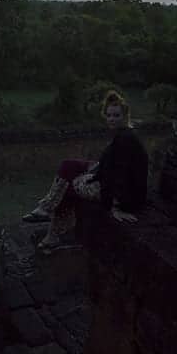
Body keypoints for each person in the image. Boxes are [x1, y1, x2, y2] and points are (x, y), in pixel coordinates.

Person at [23, 90, 148, 250]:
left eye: (116, 116)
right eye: (109, 115)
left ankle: (51, 228)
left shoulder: (125, 140)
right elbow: (108, 165)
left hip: (123, 195)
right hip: (111, 180)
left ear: (125, 116)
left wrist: (115, 206)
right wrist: (94, 171)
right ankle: (47, 211)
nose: (112, 119)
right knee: (69, 165)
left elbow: (121, 176)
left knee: (68, 185)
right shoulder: (124, 135)